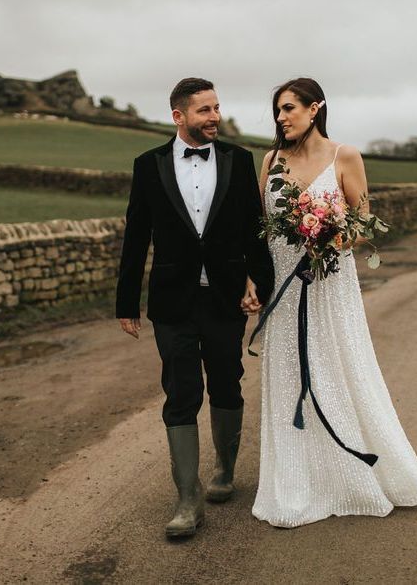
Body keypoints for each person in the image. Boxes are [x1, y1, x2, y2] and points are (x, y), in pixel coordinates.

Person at [249, 77, 417, 528]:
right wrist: (253, 280)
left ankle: (356, 472)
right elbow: (256, 228)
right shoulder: (271, 160)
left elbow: (364, 221)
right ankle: (297, 479)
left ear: (316, 109)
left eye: (290, 108)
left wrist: (326, 241)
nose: (281, 118)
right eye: (277, 111)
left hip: (330, 283)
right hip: (284, 284)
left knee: (337, 366)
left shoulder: (345, 156)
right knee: (290, 373)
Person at [116, 77, 274, 538]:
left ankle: (224, 472)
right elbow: (136, 236)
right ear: (178, 116)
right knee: (181, 390)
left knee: (227, 381)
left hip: (225, 297)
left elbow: (254, 229)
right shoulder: (148, 166)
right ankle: (188, 500)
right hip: (173, 300)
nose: (215, 117)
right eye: (204, 110)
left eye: (217, 108)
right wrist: (127, 301)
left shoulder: (238, 161)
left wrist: (259, 283)